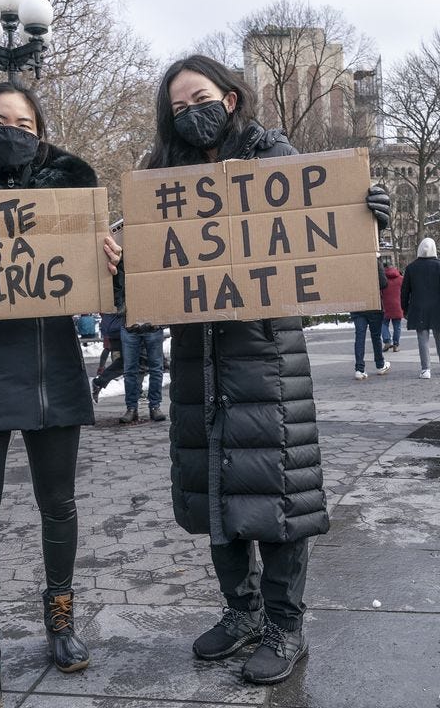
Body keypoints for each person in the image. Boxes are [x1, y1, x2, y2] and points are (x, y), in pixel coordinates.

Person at [144, 54, 390, 685]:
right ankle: (242, 611)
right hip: (199, 362)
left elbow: (323, 225)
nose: (189, 113)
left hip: (266, 359)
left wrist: (363, 208)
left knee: (276, 498)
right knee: (218, 498)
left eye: (198, 97)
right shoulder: (159, 177)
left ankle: (285, 626)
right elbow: (143, 281)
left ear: (229, 98)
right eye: (176, 107)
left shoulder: (274, 156)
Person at [0, 81, 122, 708]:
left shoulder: (71, 199)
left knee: (59, 504)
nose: (10, 128)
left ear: (40, 134)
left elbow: (111, 291)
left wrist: (108, 263)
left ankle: (59, 620)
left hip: (51, 368)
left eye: (23, 121)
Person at [401, 237, 440, 379]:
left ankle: (425, 369)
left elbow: (405, 291)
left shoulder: (411, 268)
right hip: (437, 309)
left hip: (419, 309)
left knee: (422, 340)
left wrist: (404, 308)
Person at [351, 256, 391, 380]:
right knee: (376, 336)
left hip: (357, 305)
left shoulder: (351, 261)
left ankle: (359, 369)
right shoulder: (374, 261)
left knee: (359, 336)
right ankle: (380, 365)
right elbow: (384, 283)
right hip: (373, 304)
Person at [119, 323, 166, 423]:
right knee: (130, 371)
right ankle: (132, 408)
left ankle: (154, 406)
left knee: (156, 370)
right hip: (130, 328)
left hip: (152, 327)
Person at [381, 264, 404, 352]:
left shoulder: (382, 279)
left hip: (385, 305)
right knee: (397, 326)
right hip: (398, 305)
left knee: (383, 324)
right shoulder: (401, 279)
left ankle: (387, 341)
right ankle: (396, 344)